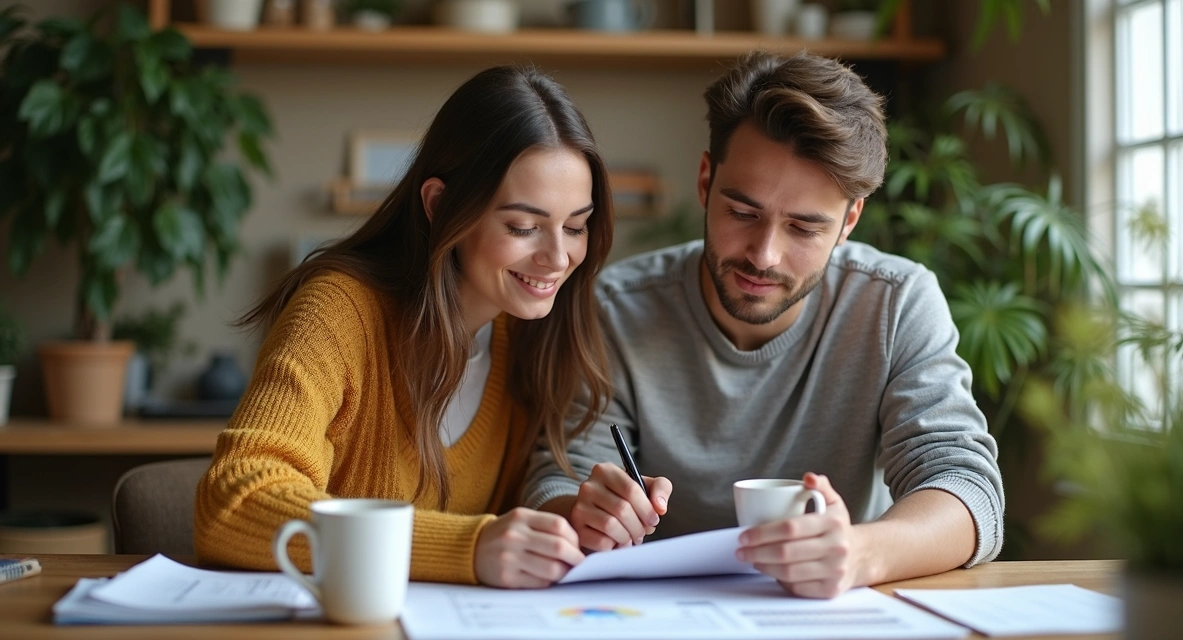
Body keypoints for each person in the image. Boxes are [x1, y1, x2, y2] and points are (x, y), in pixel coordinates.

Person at [522, 51, 1005, 598]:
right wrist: (581, 510)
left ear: (849, 220)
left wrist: (859, 554)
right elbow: (557, 478)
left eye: (803, 228)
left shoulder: (895, 304)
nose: (764, 256)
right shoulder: (614, 307)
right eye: (743, 213)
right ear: (706, 182)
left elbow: (966, 489)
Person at [195, 65, 615, 588]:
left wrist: (576, 520)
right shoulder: (337, 313)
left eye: (576, 226)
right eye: (523, 227)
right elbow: (235, 499)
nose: (558, 257)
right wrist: (467, 547)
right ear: (441, 205)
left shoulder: (531, 335)